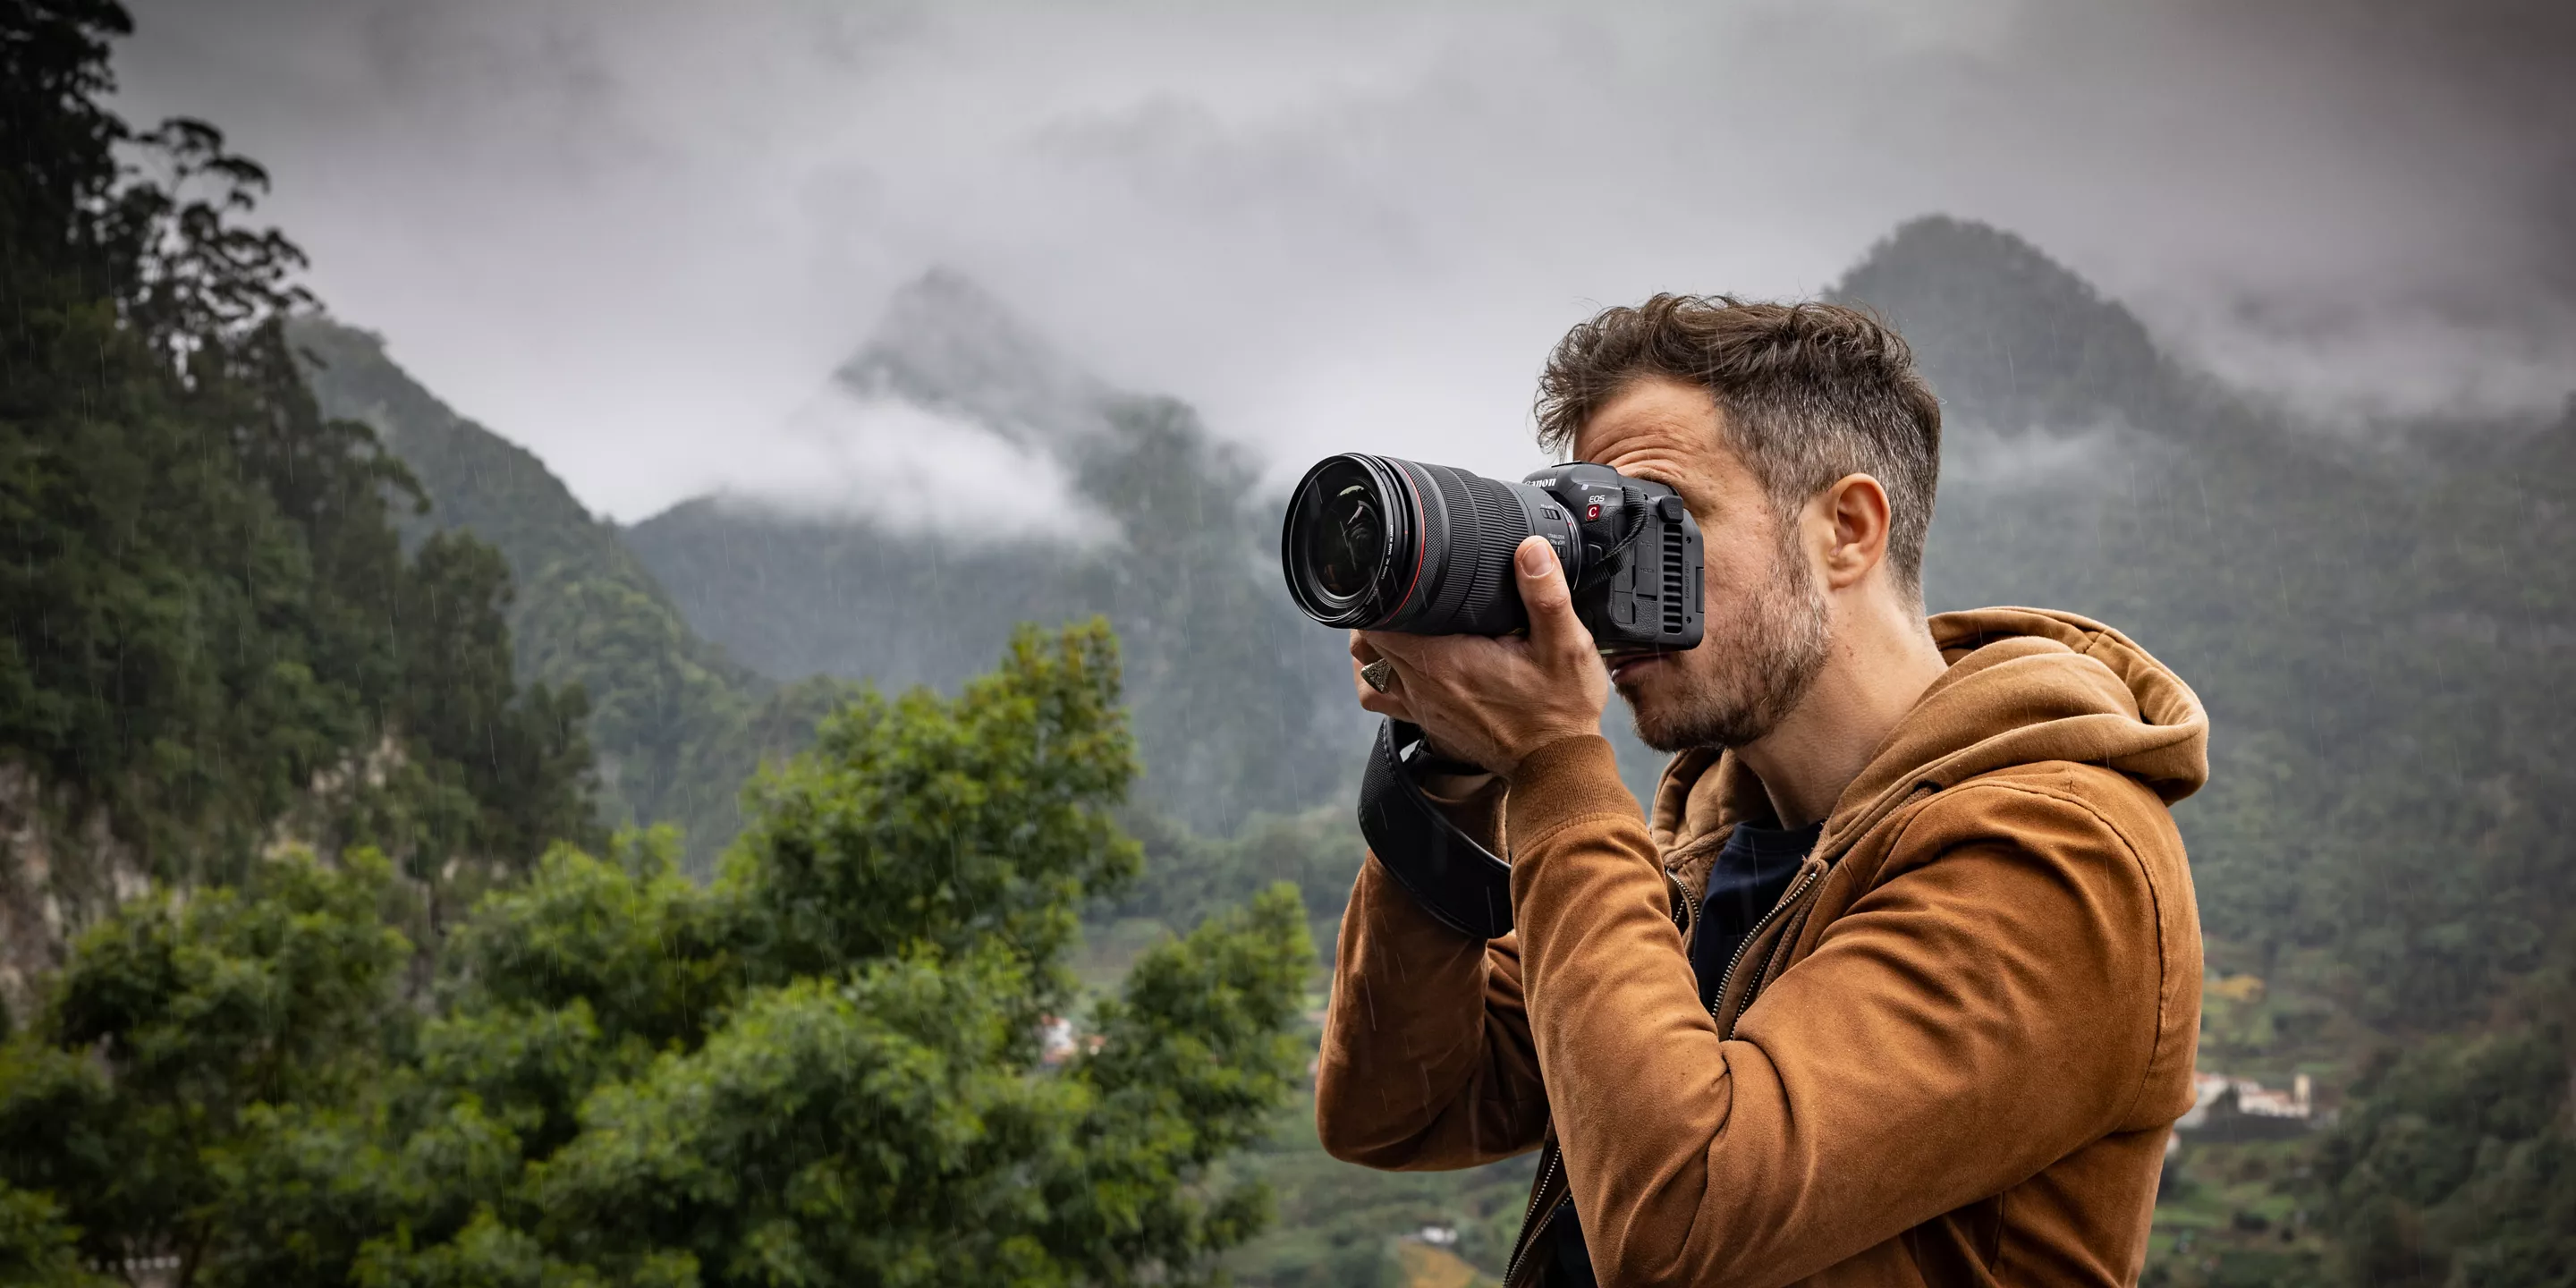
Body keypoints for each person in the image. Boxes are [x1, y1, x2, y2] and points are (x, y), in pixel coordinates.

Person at [1314, 296, 2207, 1286]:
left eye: (1661, 520)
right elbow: (1398, 1109)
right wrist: (1447, 771)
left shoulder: (2059, 857)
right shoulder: (1700, 845)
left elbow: (1683, 1220)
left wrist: (1553, 763)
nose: (1601, 593)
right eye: (1589, 529)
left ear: (1847, 531)